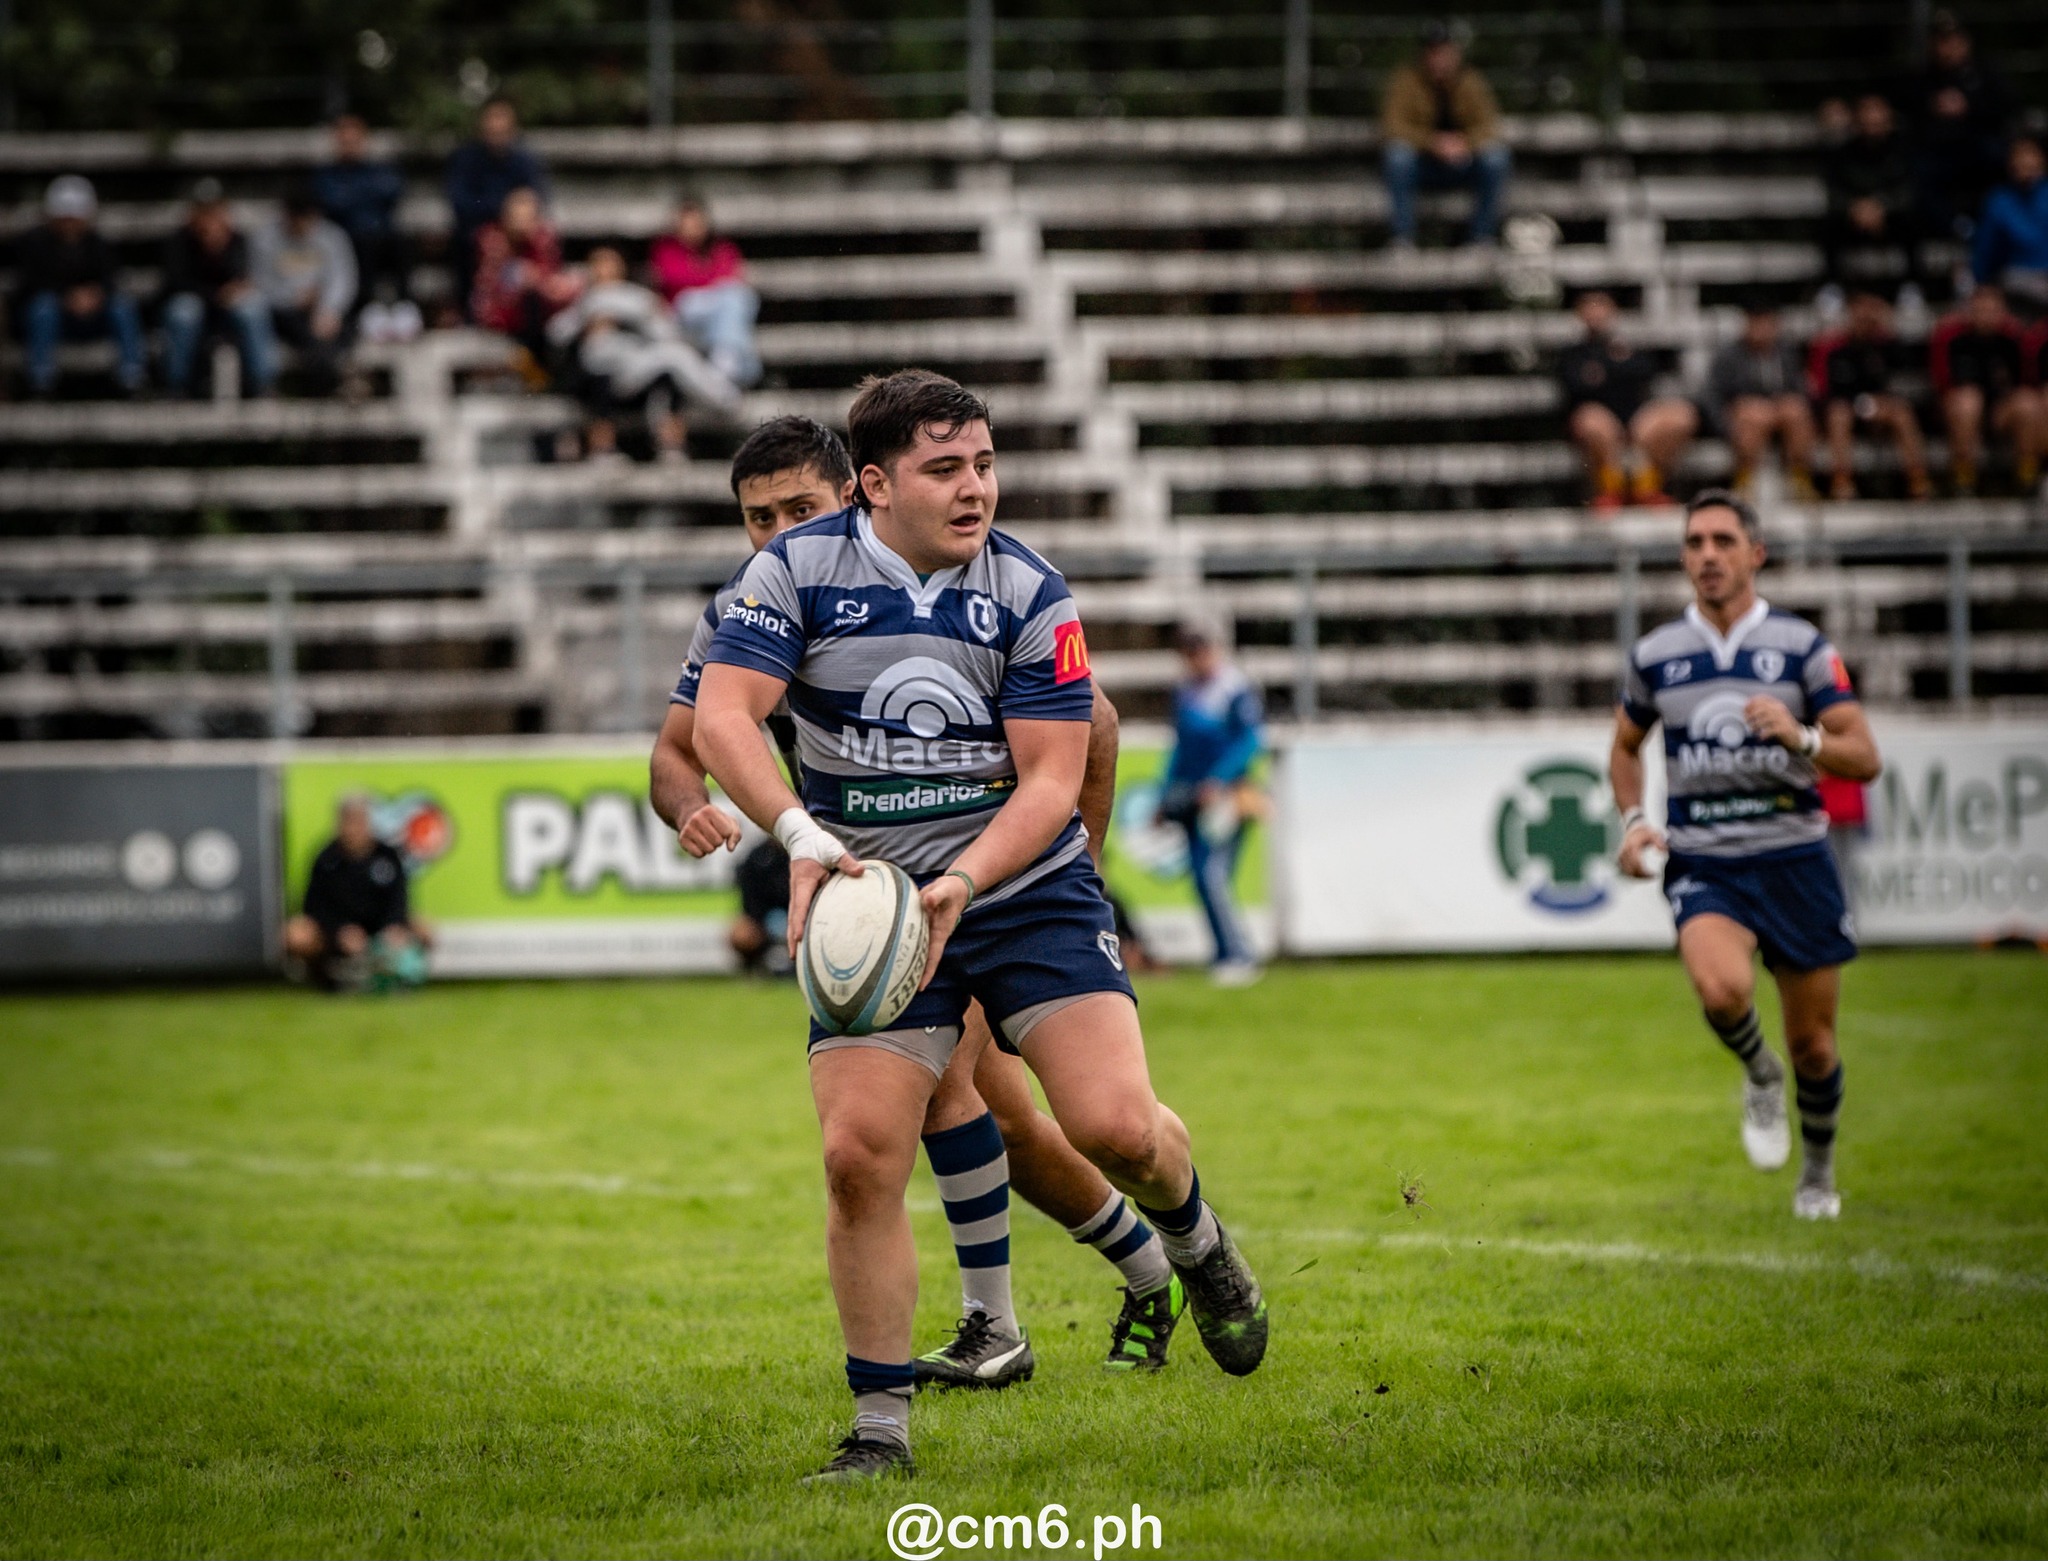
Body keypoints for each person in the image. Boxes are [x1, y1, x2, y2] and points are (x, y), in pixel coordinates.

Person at [692, 372, 1268, 1481]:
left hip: (1025, 883)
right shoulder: (792, 573)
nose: (975, 489)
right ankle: (879, 1434)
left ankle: (1195, 1245)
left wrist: (964, 878)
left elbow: (1053, 777)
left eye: (985, 465)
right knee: (858, 1154)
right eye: (944, 469)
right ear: (873, 485)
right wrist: (803, 839)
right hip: (869, 890)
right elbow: (721, 715)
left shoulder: (1031, 588)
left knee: (1112, 1129)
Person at [1611, 490, 1882, 1222]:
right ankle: (1759, 1072)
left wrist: (1804, 739)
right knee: (1722, 991)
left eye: (1723, 540)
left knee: (1816, 1046)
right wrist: (1635, 819)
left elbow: (1865, 756)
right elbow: (1625, 748)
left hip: (1795, 858)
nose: (1708, 555)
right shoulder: (1656, 655)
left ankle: (1818, 1170)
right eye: (1695, 541)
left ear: (1754, 554)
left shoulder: (1802, 647)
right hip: (1706, 861)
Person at [543, 246, 741, 464]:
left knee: (673, 359)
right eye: (598, 264)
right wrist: (586, 323)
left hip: (633, 368)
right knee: (599, 372)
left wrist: (633, 321)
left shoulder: (638, 298)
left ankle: (681, 435)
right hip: (594, 374)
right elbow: (555, 335)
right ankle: (601, 449)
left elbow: (667, 333)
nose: (604, 270)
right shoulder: (584, 300)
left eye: (610, 263)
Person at [1157, 621, 1264, 985]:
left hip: (1228, 796)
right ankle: (1224, 952)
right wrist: (1164, 794)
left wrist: (1218, 780)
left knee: (1212, 875)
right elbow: (1179, 748)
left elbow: (1249, 741)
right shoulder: (1184, 692)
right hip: (1191, 797)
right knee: (1204, 879)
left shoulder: (1234, 689)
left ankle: (1238, 952)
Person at [1559, 290, 1698, 509]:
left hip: (1636, 422)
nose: (1596, 313)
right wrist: (1618, 366)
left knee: (1680, 415)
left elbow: (1647, 369)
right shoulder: (1572, 352)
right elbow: (1575, 385)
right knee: (1592, 420)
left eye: (1601, 306)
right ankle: (1611, 491)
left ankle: (1648, 489)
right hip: (1601, 427)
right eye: (1589, 306)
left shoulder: (1631, 344)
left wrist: (1605, 370)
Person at [1378, 22, 1510, 251]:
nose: (1437, 59)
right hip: (1422, 165)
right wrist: (1432, 143)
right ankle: (1402, 239)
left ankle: (1481, 238)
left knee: (1496, 159)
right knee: (1397, 157)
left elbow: (1490, 125)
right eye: (1432, 52)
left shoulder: (1471, 82)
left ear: (1454, 54)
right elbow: (1392, 126)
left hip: (1463, 164)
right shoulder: (1405, 81)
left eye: (1443, 52)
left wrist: (1464, 144)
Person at [14, 174, 145, 398]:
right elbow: (29, 284)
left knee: (122, 306)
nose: (69, 223)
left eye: (74, 217)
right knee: (42, 308)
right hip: (58, 317)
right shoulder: (36, 244)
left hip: (95, 315)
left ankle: (132, 378)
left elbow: (112, 279)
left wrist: (94, 295)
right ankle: (40, 381)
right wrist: (66, 296)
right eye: (64, 216)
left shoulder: (99, 243)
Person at [284, 795, 433, 991]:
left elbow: (399, 898)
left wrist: (392, 926)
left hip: (379, 928)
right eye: (349, 821)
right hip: (340, 933)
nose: (354, 829)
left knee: (424, 928)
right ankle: (321, 976)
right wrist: (339, 931)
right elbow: (314, 906)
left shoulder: (388, 855)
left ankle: (402, 976)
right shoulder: (326, 858)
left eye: (359, 821)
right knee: (296, 933)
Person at [1808, 287, 1932, 500]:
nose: (1864, 316)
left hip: (1881, 409)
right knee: (1839, 414)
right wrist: (1858, 403)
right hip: (1844, 408)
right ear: (1850, 312)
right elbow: (1821, 391)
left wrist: (1889, 329)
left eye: (1871, 310)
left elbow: (1906, 380)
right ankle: (1842, 481)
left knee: (1901, 412)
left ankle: (1918, 478)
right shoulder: (1831, 347)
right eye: (1859, 310)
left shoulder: (1887, 345)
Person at [160, 179, 276, 399]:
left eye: (214, 210)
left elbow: (242, 278)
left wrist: (219, 251)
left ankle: (263, 385)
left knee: (253, 307)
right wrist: (214, 294)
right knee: (184, 311)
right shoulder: (178, 241)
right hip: (197, 308)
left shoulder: (236, 239)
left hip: (228, 312)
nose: (209, 218)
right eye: (204, 211)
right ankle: (176, 386)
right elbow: (174, 283)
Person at [1905, 11, 2013, 245]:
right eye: (1943, 41)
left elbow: (2006, 106)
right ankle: (1958, 228)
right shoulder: (1924, 77)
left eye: (1955, 40)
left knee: (2000, 159)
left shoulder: (1985, 71)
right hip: (1939, 152)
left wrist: (1969, 105)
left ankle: (1994, 224)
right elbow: (1908, 109)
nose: (1950, 47)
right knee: (1917, 173)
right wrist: (1932, 105)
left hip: (1979, 147)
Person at [1929, 282, 2041, 495]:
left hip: (2000, 412)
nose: (1986, 316)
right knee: (1968, 401)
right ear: (1969, 310)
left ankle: (2027, 474)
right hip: (1960, 412)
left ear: (2003, 311)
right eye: (1981, 309)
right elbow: (1941, 383)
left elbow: (2028, 380)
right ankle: (1963, 478)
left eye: (1993, 310)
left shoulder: (2015, 337)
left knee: (2027, 402)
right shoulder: (1950, 336)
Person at [312, 114, 416, 337]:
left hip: (380, 236)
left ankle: (405, 305)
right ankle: (365, 307)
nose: (350, 146)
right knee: (362, 240)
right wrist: (366, 197)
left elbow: (392, 192)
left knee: (400, 240)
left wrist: (353, 197)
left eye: (355, 140)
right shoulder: (326, 175)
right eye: (345, 141)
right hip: (343, 239)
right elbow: (332, 203)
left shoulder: (380, 169)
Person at [1703, 300, 1819, 501]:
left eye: (1767, 323)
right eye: (1756, 324)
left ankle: (1800, 478)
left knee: (1796, 409)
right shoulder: (1729, 355)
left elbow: (1802, 388)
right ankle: (1744, 481)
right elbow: (1713, 395)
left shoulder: (1786, 353)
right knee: (1753, 414)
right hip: (1745, 416)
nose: (1762, 330)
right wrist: (1724, 424)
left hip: (1780, 412)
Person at [445, 98, 551, 316]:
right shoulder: (466, 159)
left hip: (520, 228)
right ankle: (478, 311)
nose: (497, 129)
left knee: (542, 238)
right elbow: (461, 201)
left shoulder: (524, 160)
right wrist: (503, 210)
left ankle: (534, 312)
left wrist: (519, 216)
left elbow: (537, 196)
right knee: (481, 242)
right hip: (479, 226)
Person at [250, 184, 358, 396]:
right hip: (282, 312)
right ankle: (328, 386)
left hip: (324, 312)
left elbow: (343, 278)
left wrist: (328, 309)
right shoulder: (265, 239)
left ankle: (327, 383)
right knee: (312, 337)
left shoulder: (332, 236)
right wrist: (293, 298)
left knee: (337, 332)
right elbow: (260, 284)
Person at [649, 194, 762, 389]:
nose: (693, 228)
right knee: (733, 299)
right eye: (687, 223)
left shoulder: (723, 248)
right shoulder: (665, 249)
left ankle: (724, 360)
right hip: (684, 312)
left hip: (717, 313)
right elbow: (674, 279)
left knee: (739, 298)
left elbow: (734, 277)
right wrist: (711, 278)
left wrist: (705, 278)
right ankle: (737, 365)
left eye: (696, 222)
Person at [1822, 94, 1924, 299]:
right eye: (1867, 120)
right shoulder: (1842, 153)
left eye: (1878, 121)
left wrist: (1882, 207)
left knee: (1914, 220)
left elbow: (1910, 188)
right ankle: (1832, 286)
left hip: (1891, 218)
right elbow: (1834, 191)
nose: (1873, 126)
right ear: (1858, 122)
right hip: (1854, 219)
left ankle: (1912, 285)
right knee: (1828, 226)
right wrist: (1855, 209)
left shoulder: (1904, 150)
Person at [468, 187, 580, 353]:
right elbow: (488, 291)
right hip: (499, 317)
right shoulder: (492, 240)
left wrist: (537, 279)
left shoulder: (542, 240)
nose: (521, 224)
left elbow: (552, 284)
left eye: (527, 217)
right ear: (505, 217)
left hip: (539, 314)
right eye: (516, 217)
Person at [1972, 135, 2048, 307]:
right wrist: (1982, 282)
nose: (2025, 163)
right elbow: (1985, 250)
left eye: (2031, 156)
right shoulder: (1999, 200)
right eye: (2019, 156)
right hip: (2017, 276)